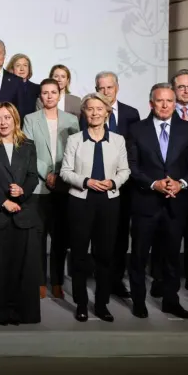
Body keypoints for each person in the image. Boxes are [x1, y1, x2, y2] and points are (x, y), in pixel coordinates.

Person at [125, 82, 188, 320]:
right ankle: (138, 301)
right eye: (160, 100)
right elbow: (132, 166)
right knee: (138, 255)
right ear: (151, 104)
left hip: (175, 204)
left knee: (170, 257)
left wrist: (181, 183)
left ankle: (171, 301)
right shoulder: (137, 130)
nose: (166, 105)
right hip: (145, 202)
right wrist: (153, 184)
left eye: (170, 100)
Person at [61, 93, 131, 323]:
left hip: (109, 201)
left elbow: (125, 171)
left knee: (105, 255)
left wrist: (113, 182)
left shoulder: (118, 140)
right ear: (84, 112)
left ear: (107, 112)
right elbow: (65, 171)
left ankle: (102, 304)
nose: (94, 113)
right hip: (81, 201)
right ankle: (81, 303)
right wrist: (86, 181)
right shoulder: (75, 140)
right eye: (90, 109)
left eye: (99, 109)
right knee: (80, 255)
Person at [0, 102, 41, 326]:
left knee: (23, 266)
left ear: (15, 119)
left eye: (7, 118)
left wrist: (22, 193)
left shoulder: (28, 145)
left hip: (23, 214)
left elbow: (33, 176)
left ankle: (22, 313)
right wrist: (4, 201)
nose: (3, 122)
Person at [151, 69, 188, 299]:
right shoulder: (163, 114)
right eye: (181, 87)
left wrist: (185, 181)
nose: (186, 91)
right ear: (173, 90)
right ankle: (158, 277)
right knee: (161, 234)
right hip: (164, 184)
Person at [22, 78, 80, 299]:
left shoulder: (71, 120)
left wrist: (59, 175)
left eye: (53, 92)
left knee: (60, 238)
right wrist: (46, 173)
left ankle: (57, 281)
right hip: (38, 186)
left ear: (59, 94)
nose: (49, 96)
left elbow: (75, 151)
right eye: (44, 93)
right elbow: (27, 150)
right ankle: (39, 282)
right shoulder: (30, 119)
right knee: (38, 237)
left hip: (64, 186)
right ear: (40, 96)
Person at [92, 71, 141, 299]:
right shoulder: (90, 113)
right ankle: (100, 276)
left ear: (117, 88)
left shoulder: (132, 114)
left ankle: (116, 279)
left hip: (124, 186)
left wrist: (121, 177)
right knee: (98, 234)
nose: (105, 92)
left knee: (121, 235)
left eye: (109, 88)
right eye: (101, 88)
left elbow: (135, 150)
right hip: (95, 184)